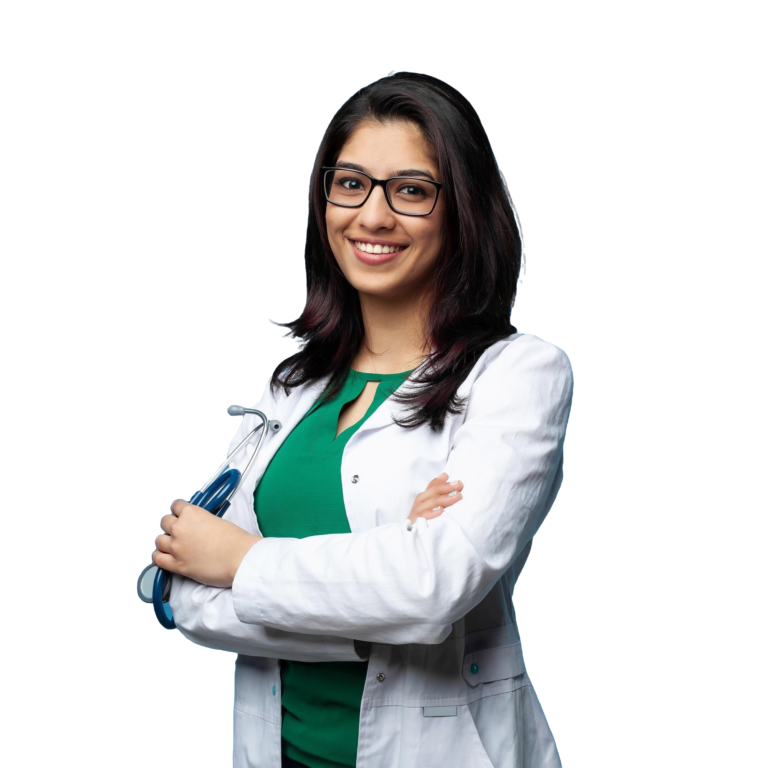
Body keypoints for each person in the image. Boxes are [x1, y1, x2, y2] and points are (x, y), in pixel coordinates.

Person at [152, 71, 574, 768]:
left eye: (410, 190)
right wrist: (382, 589)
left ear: (462, 208)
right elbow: (178, 593)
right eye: (350, 184)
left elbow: (432, 588)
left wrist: (241, 562)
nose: (372, 217)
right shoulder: (290, 388)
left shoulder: (520, 373)